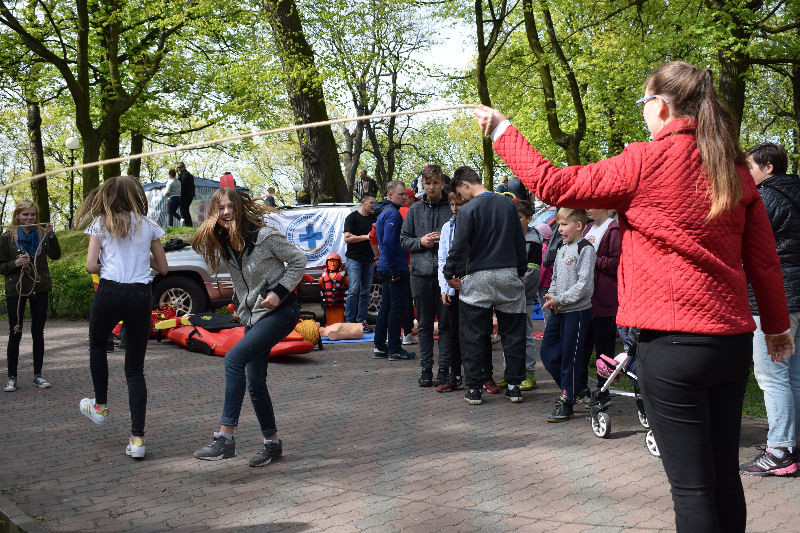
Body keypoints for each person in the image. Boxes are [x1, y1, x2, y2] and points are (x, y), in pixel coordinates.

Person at [475, 60, 794, 532]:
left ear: (661, 107)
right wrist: (777, 329)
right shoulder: (734, 170)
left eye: (644, 102)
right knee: (724, 478)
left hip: (669, 344)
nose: (643, 110)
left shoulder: (643, 162)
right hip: (728, 343)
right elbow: (764, 261)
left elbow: (552, 184)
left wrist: (502, 129)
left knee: (692, 489)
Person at [191, 189, 305, 466]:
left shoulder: (264, 237)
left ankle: (225, 438)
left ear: (240, 209)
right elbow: (242, 282)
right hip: (254, 317)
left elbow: (298, 261)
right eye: (221, 208)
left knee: (233, 359)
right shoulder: (227, 244)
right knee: (255, 383)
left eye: (230, 207)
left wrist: (278, 292)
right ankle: (272, 444)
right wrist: (241, 307)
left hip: (281, 311)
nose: (226, 212)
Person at [76, 176, 168, 459]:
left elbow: (90, 265)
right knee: (135, 370)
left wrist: (109, 263)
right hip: (140, 295)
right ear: (135, 196)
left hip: (110, 292)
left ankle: (100, 406)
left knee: (97, 345)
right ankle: (138, 439)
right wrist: (141, 259)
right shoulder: (148, 225)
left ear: (107, 196)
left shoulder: (100, 224)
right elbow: (163, 268)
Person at [739, 143, 800, 476]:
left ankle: (779, 451)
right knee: (794, 376)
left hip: (775, 301)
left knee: (773, 377)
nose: (746, 174)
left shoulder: (766, 198)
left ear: (768, 167)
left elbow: (743, 244)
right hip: (797, 301)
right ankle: (793, 445)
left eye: (750, 167)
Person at [443, 166, 527, 406]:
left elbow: (459, 247)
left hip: (478, 278)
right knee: (513, 334)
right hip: (508, 274)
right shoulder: (508, 204)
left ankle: (474, 389)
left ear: (465, 184)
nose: (461, 198)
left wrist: (449, 274)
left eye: (460, 192)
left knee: (473, 336)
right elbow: (518, 240)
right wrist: (521, 272)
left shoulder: (468, 210)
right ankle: (514, 387)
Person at [539, 208, 595, 421]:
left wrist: (560, 299)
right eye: (559, 225)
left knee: (571, 358)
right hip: (558, 310)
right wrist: (552, 296)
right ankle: (576, 388)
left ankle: (567, 401)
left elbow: (584, 286)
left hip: (577, 313)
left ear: (579, 226)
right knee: (548, 353)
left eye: (564, 225)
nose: (560, 229)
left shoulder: (585, 249)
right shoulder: (562, 248)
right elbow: (554, 278)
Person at [1, 200, 61, 392]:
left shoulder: (43, 234)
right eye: (25, 214)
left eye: (33, 215)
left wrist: (52, 236)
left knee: (38, 332)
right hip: (16, 289)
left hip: (39, 287)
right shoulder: (7, 237)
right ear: (17, 215)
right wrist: (16, 263)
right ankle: (12, 377)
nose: (29, 218)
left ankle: (38, 375)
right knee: (15, 331)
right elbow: (1, 266)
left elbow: (56, 255)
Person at [401, 164, 452, 387]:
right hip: (420, 275)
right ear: (422, 184)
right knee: (423, 324)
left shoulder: (451, 208)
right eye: (428, 183)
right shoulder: (415, 209)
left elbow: (463, 239)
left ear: (442, 184)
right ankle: (426, 369)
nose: (431, 187)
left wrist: (446, 240)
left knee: (446, 325)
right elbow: (404, 240)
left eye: (435, 183)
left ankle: (444, 369)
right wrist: (420, 242)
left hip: (445, 277)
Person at [579, 208, 620, 406]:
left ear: (604, 206)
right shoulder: (588, 228)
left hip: (604, 299)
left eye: (592, 203)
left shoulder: (613, 230)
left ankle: (604, 390)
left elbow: (617, 264)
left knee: (604, 349)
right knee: (583, 346)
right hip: (586, 299)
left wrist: (593, 258)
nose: (587, 207)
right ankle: (582, 388)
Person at [373, 180, 416, 361]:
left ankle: (379, 346)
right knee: (395, 308)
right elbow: (389, 243)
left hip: (385, 265)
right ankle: (394, 349)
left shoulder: (384, 212)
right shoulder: (393, 215)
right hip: (394, 266)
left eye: (405, 194)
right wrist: (394, 270)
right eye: (401, 194)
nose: (404, 197)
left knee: (386, 307)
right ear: (390, 195)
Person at [436, 191, 465, 392]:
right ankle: (455, 375)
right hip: (452, 285)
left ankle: (480, 376)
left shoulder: (474, 224)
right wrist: (445, 287)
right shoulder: (448, 227)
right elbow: (443, 259)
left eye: (459, 205)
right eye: (452, 205)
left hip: (471, 285)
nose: (455, 209)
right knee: (453, 332)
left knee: (473, 333)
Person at [516, 200, 543, 391]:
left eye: (519, 217)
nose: (515, 221)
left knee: (525, 335)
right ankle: (511, 372)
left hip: (523, 296)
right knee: (509, 335)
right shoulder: (509, 237)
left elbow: (532, 272)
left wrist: (516, 285)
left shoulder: (533, 242)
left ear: (529, 218)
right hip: (508, 296)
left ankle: (529, 373)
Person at [343, 193, 377, 331]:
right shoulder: (352, 218)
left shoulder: (374, 219)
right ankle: (349, 322)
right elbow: (347, 238)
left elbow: (376, 238)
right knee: (353, 290)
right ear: (363, 202)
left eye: (375, 203)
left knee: (365, 292)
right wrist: (366, 237)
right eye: (371, 203)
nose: (373, 206)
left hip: (369, 260)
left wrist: (377, 256)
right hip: (354, 259)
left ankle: (361, 321)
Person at [398, 188, 417, 344]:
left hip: (397, 262)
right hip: (412, 261)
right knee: (412, 299)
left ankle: (400, 333)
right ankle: (408, 333)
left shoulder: (392, 212)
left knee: (399, 299)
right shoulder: (411, 212)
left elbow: (374, 234)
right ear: (408, 198)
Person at [176, 161, 195, 227]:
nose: (179, 169)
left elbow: (182, 186)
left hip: (185, 195)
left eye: (180, 167)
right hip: (188, 195)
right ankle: (189, 225)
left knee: (183, 210)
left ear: (184, 167)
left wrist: (179, 194)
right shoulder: (187, 174)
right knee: (185, 210)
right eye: (178, 168)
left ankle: (187, 225)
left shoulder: (185, 175)